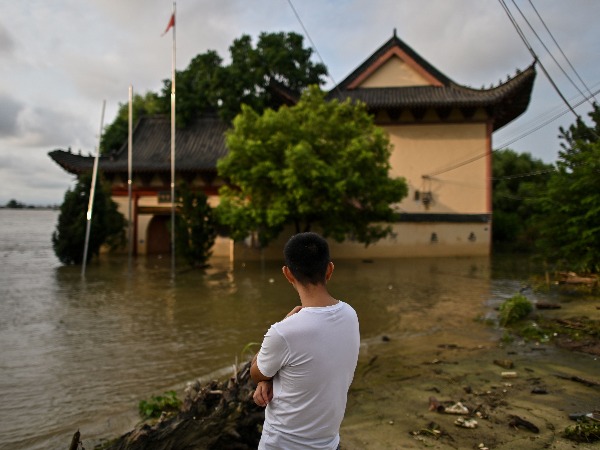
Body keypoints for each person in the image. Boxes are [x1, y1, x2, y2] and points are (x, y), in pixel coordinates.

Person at [250, 232, 360, 450]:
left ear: (287, 273)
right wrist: (270, 377)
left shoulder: (284, 332)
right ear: (329, 269)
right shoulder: (350, 315)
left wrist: (267, 376)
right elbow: (312, 364)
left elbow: (256, 371)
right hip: (329, 444)